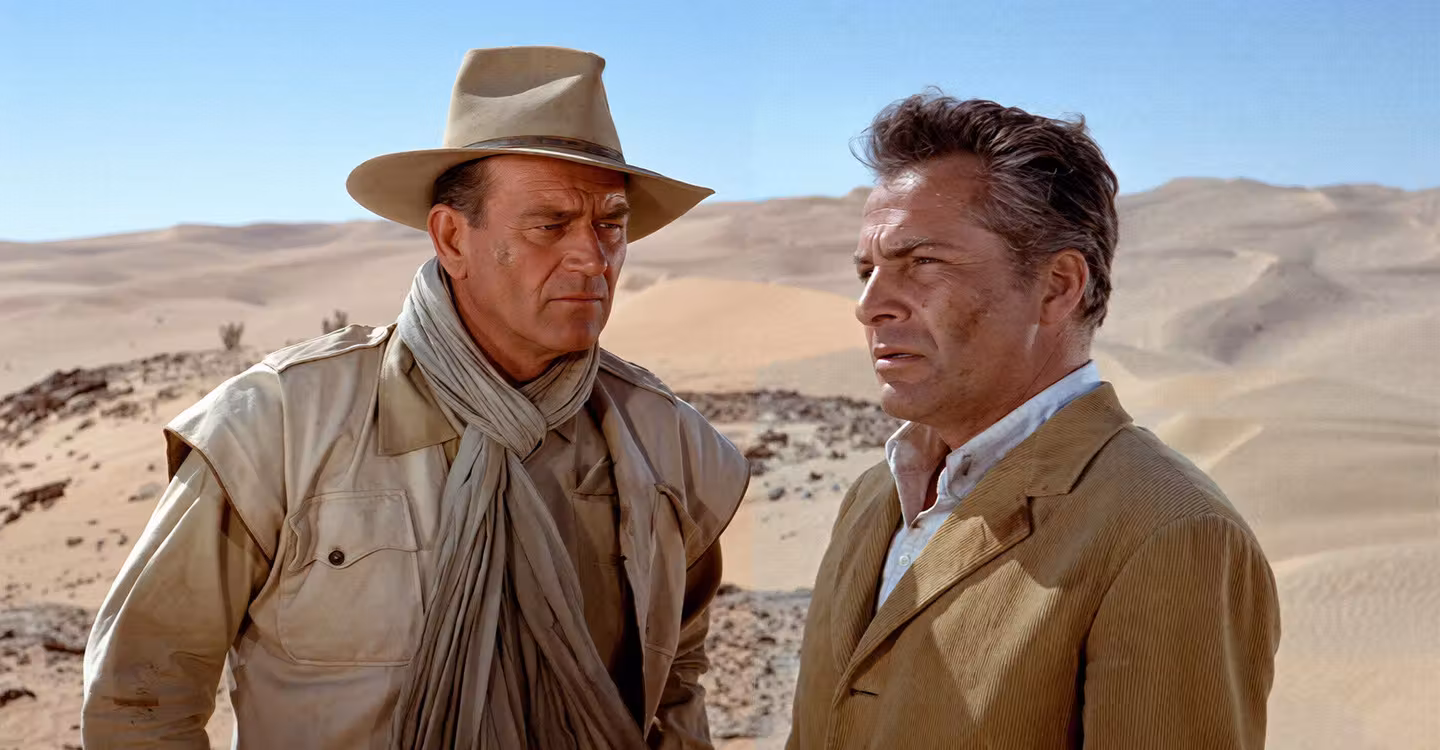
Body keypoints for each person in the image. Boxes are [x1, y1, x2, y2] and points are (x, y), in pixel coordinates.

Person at [82, 45, 750, 750]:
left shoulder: (667, 445)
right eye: (550, 224)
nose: (592, 256)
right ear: (452, 238)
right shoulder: (277, 427)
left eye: (610, 223)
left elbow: (677, 683)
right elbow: (140, 699)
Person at [787, 92, 1281, 749]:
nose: (869, 304)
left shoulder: (1168, 532)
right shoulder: (874, 497)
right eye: (867, 270)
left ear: (1057, 286)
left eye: (923, 262)